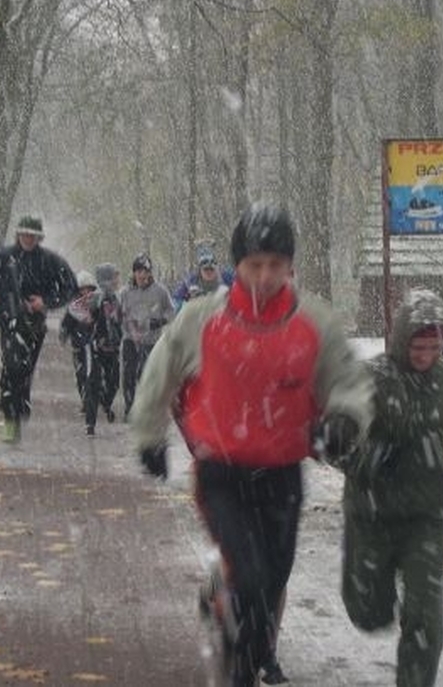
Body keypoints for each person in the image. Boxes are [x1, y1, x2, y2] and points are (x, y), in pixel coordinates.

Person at [129, 204, 373, 687]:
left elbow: (348, 382)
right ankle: (239, 667)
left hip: (283, 473)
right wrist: (149, 436)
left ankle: (239, 630)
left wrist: (344, 421)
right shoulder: (203, 318)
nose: (264, 277)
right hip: (222, 471)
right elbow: (160, 371)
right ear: (236, 265)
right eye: (254, 265)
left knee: (273, 581)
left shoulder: (314, 322)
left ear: (290, 267)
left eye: (275, 265)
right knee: (252, 576)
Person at [341, 288, 443, 687]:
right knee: (368, 611)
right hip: (372, 510)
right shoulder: (370, 378)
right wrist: (361, 456)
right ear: (401, 340)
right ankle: (372, 601)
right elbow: (332, 436)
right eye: (418, 347)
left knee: (425, 618)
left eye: (434, 347)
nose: (425, 355)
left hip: (426, 512)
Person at [0, 215, 77, 443]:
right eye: (24, 234)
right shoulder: (2, 256)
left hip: (34, 325)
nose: (28, 239)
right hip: (8, 321)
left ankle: (17, 406)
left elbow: (70, 287)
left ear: (39, 238)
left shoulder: (50, 261)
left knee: (24, 370)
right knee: (12, 365)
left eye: (32, 235)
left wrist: (46, 302)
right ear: (18, 234)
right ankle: (11, 416)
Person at [120, 253, 175, 420]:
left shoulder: (160, 291)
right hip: (130, 340)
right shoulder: (125, 292)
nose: (142, 275)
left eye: (145, 271)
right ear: (134, 273)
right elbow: (119, 313)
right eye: (139, 271)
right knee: (129, 375)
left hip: (152, 341)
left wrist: (161, 321)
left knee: (148, 377)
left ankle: (148, 409)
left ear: (150, 273)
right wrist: (126, 325)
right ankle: (129, 408)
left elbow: (171, 311)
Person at [89, 263, 124, 428]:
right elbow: (89, 319)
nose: (118, 280)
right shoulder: (96, 298)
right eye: (115, 277)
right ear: (107, 279)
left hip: (114, 347)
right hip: (98, 346)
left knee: (114, 381)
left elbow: (121, 319)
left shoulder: (117, 298)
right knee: (96, 379)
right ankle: (93, 416)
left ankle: (105, 402)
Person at [59, 270, 99, 413]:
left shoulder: (96, 305)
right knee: (80, 374)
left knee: (92, 374)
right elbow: (66, 324)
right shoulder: (74, 307)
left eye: (89, 289)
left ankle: (91, 399)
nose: (86, 293)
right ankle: (85, 399)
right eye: (83, 289)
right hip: (78, 346)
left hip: (93, 345)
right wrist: (63, 335)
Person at [171, 244, 234, 311]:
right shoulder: (191, 281)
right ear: (200, 270)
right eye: (206, 269)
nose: (209, 272)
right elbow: (175, 300)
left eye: (212, 269)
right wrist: (186, 302)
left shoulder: (226, 277)